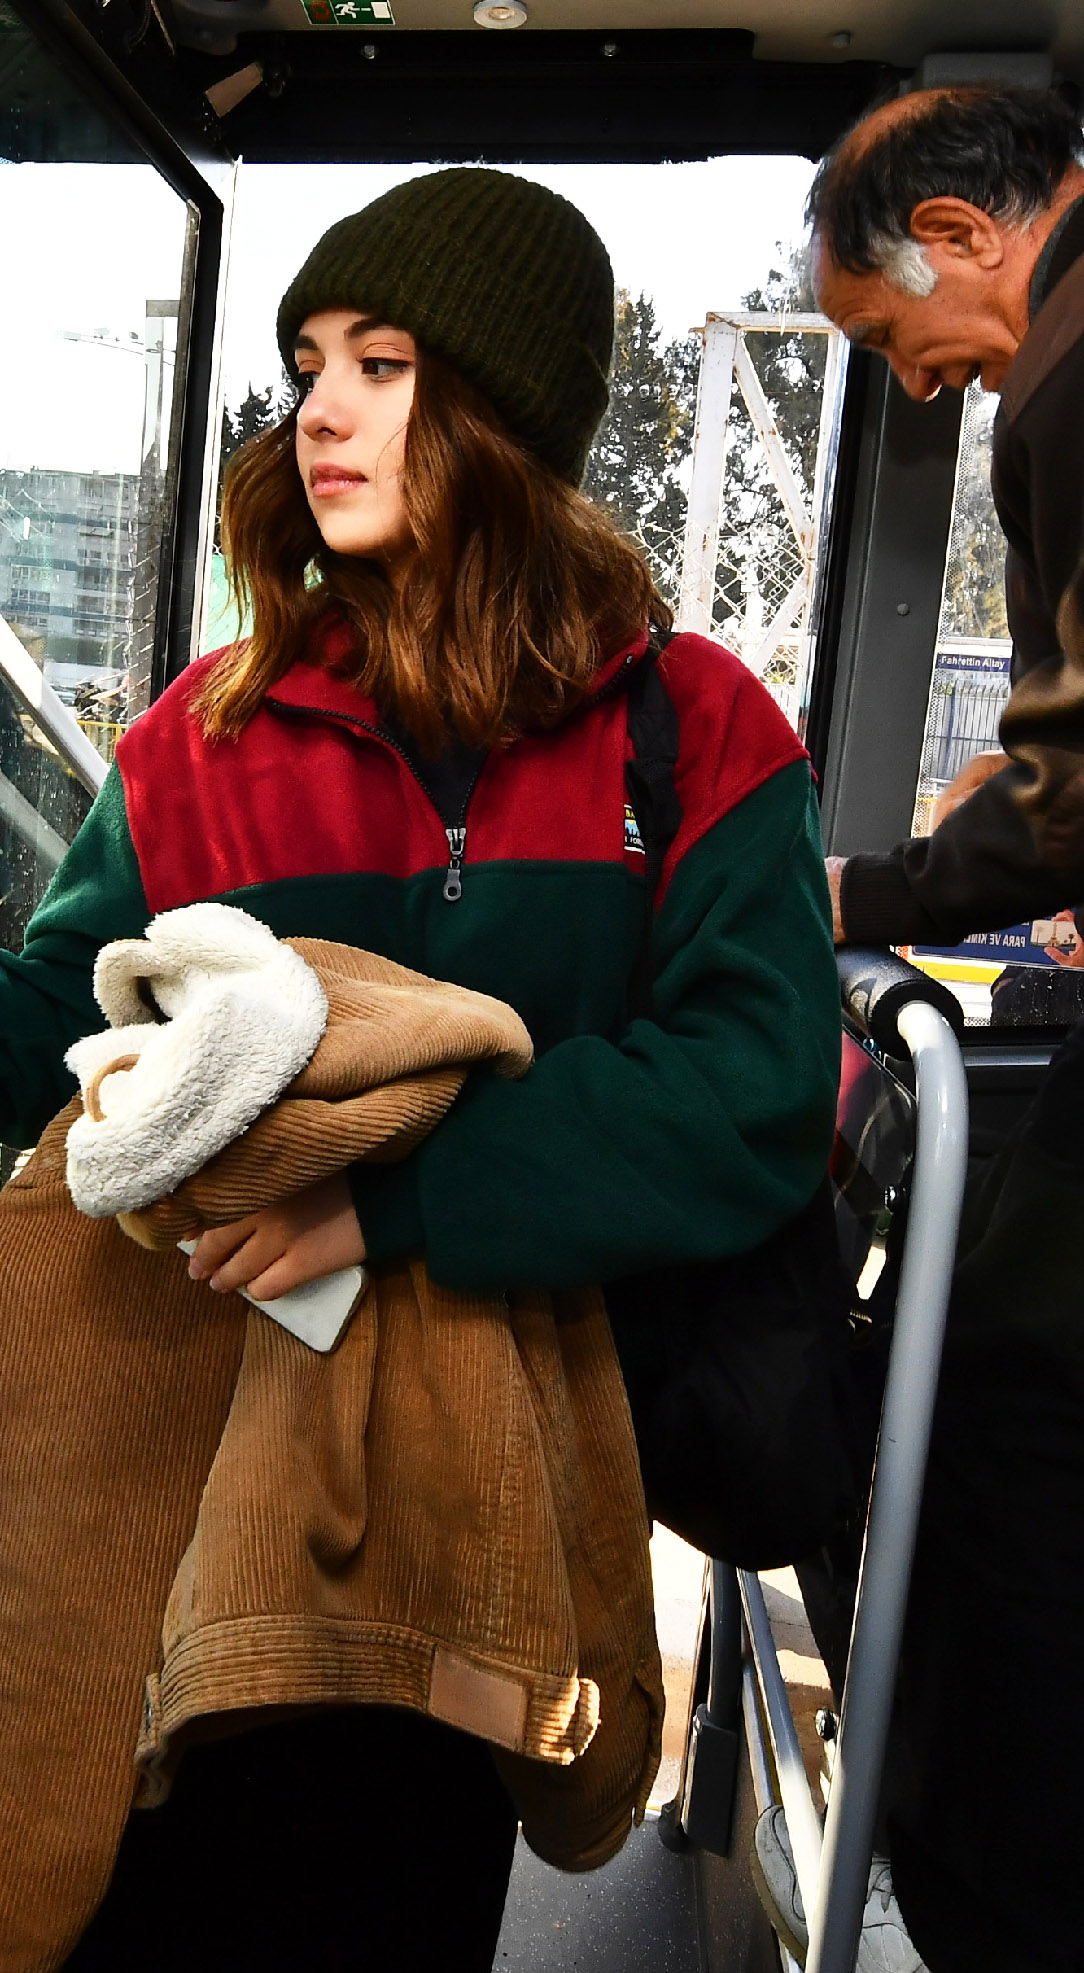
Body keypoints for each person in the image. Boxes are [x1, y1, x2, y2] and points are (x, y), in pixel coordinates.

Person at [0, 168, 838, 1967]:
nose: (320, 409)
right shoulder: (202, 739)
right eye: (309, 361)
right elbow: (46, 1044)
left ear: (509, 417)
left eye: (385, 364)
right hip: (178, 1460)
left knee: (390, 1890)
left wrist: (388, 1196)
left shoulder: (691, 734)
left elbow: (756, 1087)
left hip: (480, 1484)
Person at [811, 84, 1084, 1973]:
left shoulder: (1069, 389)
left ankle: (996, 1901)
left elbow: (1075, 793)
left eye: (896, 339)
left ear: (967, 234)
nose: (917, 386)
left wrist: (859, 896)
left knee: (987, 1416)